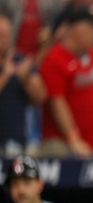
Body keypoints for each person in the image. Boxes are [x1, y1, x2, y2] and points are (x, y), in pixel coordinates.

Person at [38, 9, 93, 156]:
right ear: (76, 30)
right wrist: (73, 138)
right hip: (64, 144)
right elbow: (57, 102)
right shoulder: (55, 59)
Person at [0, 13, 46, 157]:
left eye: (7, 34)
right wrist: (5, 76)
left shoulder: (20, 60)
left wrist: (26, 80)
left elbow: (41, 97)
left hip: (17, 143)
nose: (4, 39)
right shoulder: (8, 69)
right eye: (0, 34)